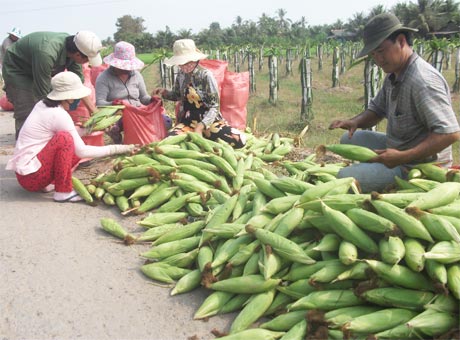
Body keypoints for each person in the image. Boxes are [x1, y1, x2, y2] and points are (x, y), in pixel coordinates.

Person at [328, 13, 460, 193]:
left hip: (418, 165)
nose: (378, 59)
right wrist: (355, 122)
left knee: (344, 179)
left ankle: (395, 177)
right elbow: (377, 110)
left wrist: (403, 157)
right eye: (373, 54)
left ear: (400, 41)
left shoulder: (423, 81)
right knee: (347, 139)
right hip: (398, 148)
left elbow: (450, 133)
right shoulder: (394, 74)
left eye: (381, 51)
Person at [5, 72, 135, 202]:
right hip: (32, 178)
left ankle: (48, 184)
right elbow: (82, 151)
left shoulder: (43, 105)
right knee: (65, 139)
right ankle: (62, 192)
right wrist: (120, 148)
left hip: (27, 175)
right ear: (69, 97)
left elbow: (71, 134)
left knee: (68, 139)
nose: (78, 101)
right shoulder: (58, 114)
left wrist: (90, 128)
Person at [2, 30, 103, 139]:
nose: (87, 64)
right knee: (29, 108)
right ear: (78, 55)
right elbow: (42, 93)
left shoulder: (75, 50)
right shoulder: (46, 52)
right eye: (87, 60)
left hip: (37, 66)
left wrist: (94, 111)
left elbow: (77, 85)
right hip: (18, 69)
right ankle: (25, 144)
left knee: (53, 106)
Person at [153, 39, 246, 148]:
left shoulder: (206, 75)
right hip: (187, 122)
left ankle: (204, 137)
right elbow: (177, 95)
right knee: (169, 142)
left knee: (238, 140)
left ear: (195, 59)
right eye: (181, 63)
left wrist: (201, 126)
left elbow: (214, 106)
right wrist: (164, 92)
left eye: (187, 62)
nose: (184, 65)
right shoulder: (181, 75)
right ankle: (198, 141)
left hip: (209, 122)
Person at [95, 41, 170, 144]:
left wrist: (152, 100)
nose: (128, 69)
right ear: (115, 64)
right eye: (124, 67)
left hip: (138, 111)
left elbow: (144, 97)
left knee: (166, 121)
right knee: (113, 128)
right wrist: (114, 104)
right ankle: (118, 138)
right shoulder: (104, 78)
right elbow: (100, 102)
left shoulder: (136, 75)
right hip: (118, 115)